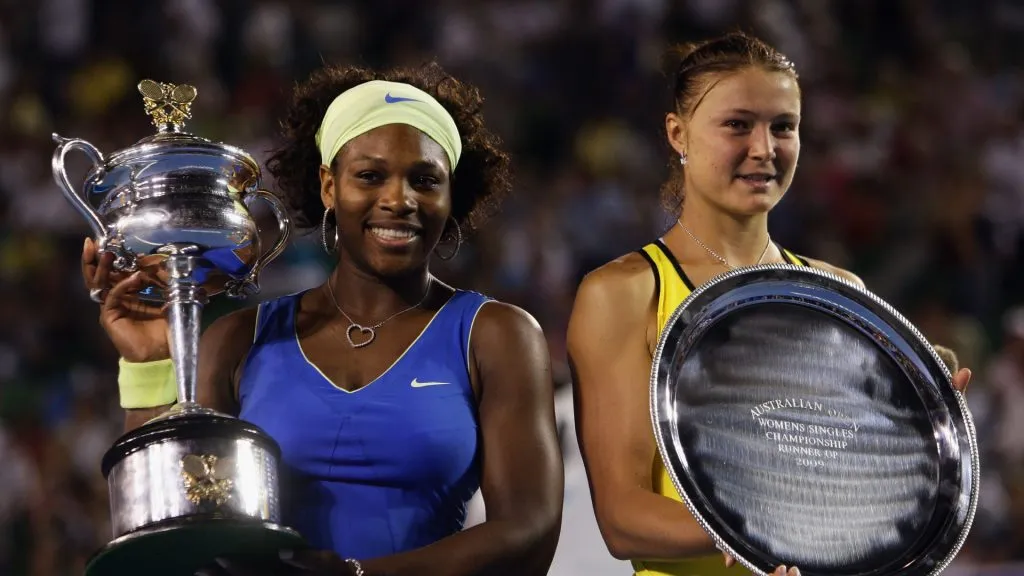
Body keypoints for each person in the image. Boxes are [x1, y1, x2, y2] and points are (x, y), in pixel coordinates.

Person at [82, 62, 563, 576]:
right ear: (329, 187)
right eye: (370, 176)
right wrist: (151, 364)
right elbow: (176, 518)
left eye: (424, 180)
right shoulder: (238, 340)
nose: (399, 199)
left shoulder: (496, 335)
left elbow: (528, 529)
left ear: (450, 196)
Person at [566, 32, 973, 576]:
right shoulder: (624, 292)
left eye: (783, 126)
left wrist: (918, 446)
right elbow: (622, 518)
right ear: (677, 134)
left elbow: (851, 495)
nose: (764, 148)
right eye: (738, 124)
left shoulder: (838, 292)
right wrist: (767, 533)